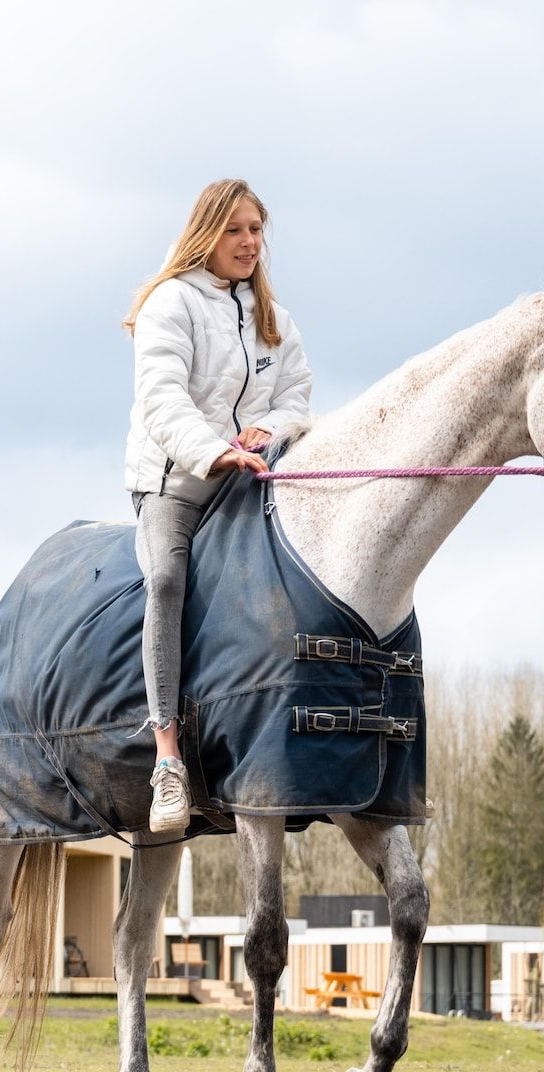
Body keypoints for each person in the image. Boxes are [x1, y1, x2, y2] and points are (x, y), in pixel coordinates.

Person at [123, 178, 312, 834]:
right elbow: (162, 398)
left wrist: (273, 431)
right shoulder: (170, 303)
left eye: (257, 229)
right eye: (235, 230)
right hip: (174, 483)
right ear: (207, 232)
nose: (249, 242)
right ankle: (168, 760)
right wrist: (215, 450)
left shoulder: (274, 321)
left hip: (247, 481)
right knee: (168, 579)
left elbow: (298, 397)